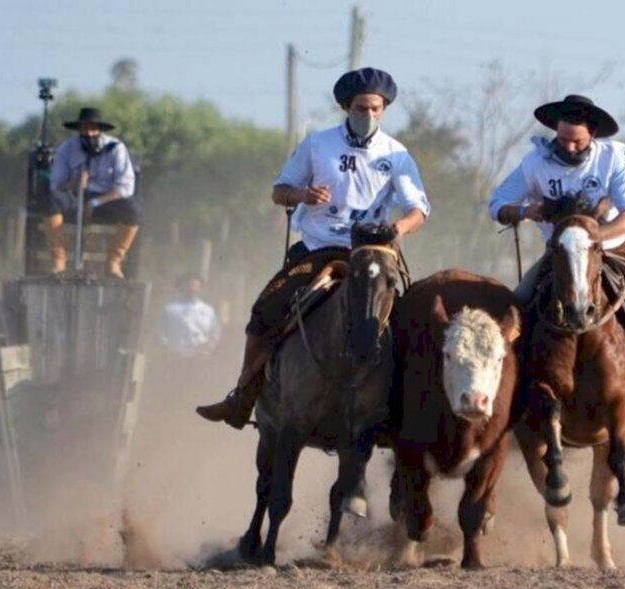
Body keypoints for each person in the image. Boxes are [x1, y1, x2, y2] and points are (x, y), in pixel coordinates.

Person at [197, 67, 430, 429]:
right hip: (319, 248)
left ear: (384, 109)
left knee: (414, 321)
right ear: (345, 107)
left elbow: (419, 209)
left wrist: (397, 228)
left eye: (375, 109)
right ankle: (243, 394)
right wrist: (303, 195)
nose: (368, 115)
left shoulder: (397, 154)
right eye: (360, 108)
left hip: (373, 253)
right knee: (267, 307)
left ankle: (410, 413)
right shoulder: (317, 145)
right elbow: (280, 191)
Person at [488, 94, 625, 428]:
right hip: (559, 256)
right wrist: (525, 211)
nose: (570, 148)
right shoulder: (535, 163)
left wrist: (595, 238)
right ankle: (510, 393)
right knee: (516, 308)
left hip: (611, 250)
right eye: (563, 140)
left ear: (592, 134)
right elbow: (497, 204)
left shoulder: (612, 159)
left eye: (577, 141)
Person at [46, 107, 141, 278]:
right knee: (51, 201)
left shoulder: (116, 149)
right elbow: (56, 185)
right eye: (84, 128)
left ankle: (114, 261)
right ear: (79, 130)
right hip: (74, 197)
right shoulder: (66, 149)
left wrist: (96, 202)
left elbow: (126, 187)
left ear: (100, 130)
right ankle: (59, 259)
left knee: (132, 210)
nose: (89, 133)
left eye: (93, 128)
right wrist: (74, 183)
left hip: (105, 200)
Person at [157, 272, 222, 358]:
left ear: (200, 287)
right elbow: (160, 331)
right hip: (174, 358)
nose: (192, 286)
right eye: (188, 282)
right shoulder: (170, 309)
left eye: (196, 283)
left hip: (201, 358)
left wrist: (209, 348)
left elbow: (215, 332)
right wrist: (168, 349)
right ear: (181, 285)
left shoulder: (208, 310)